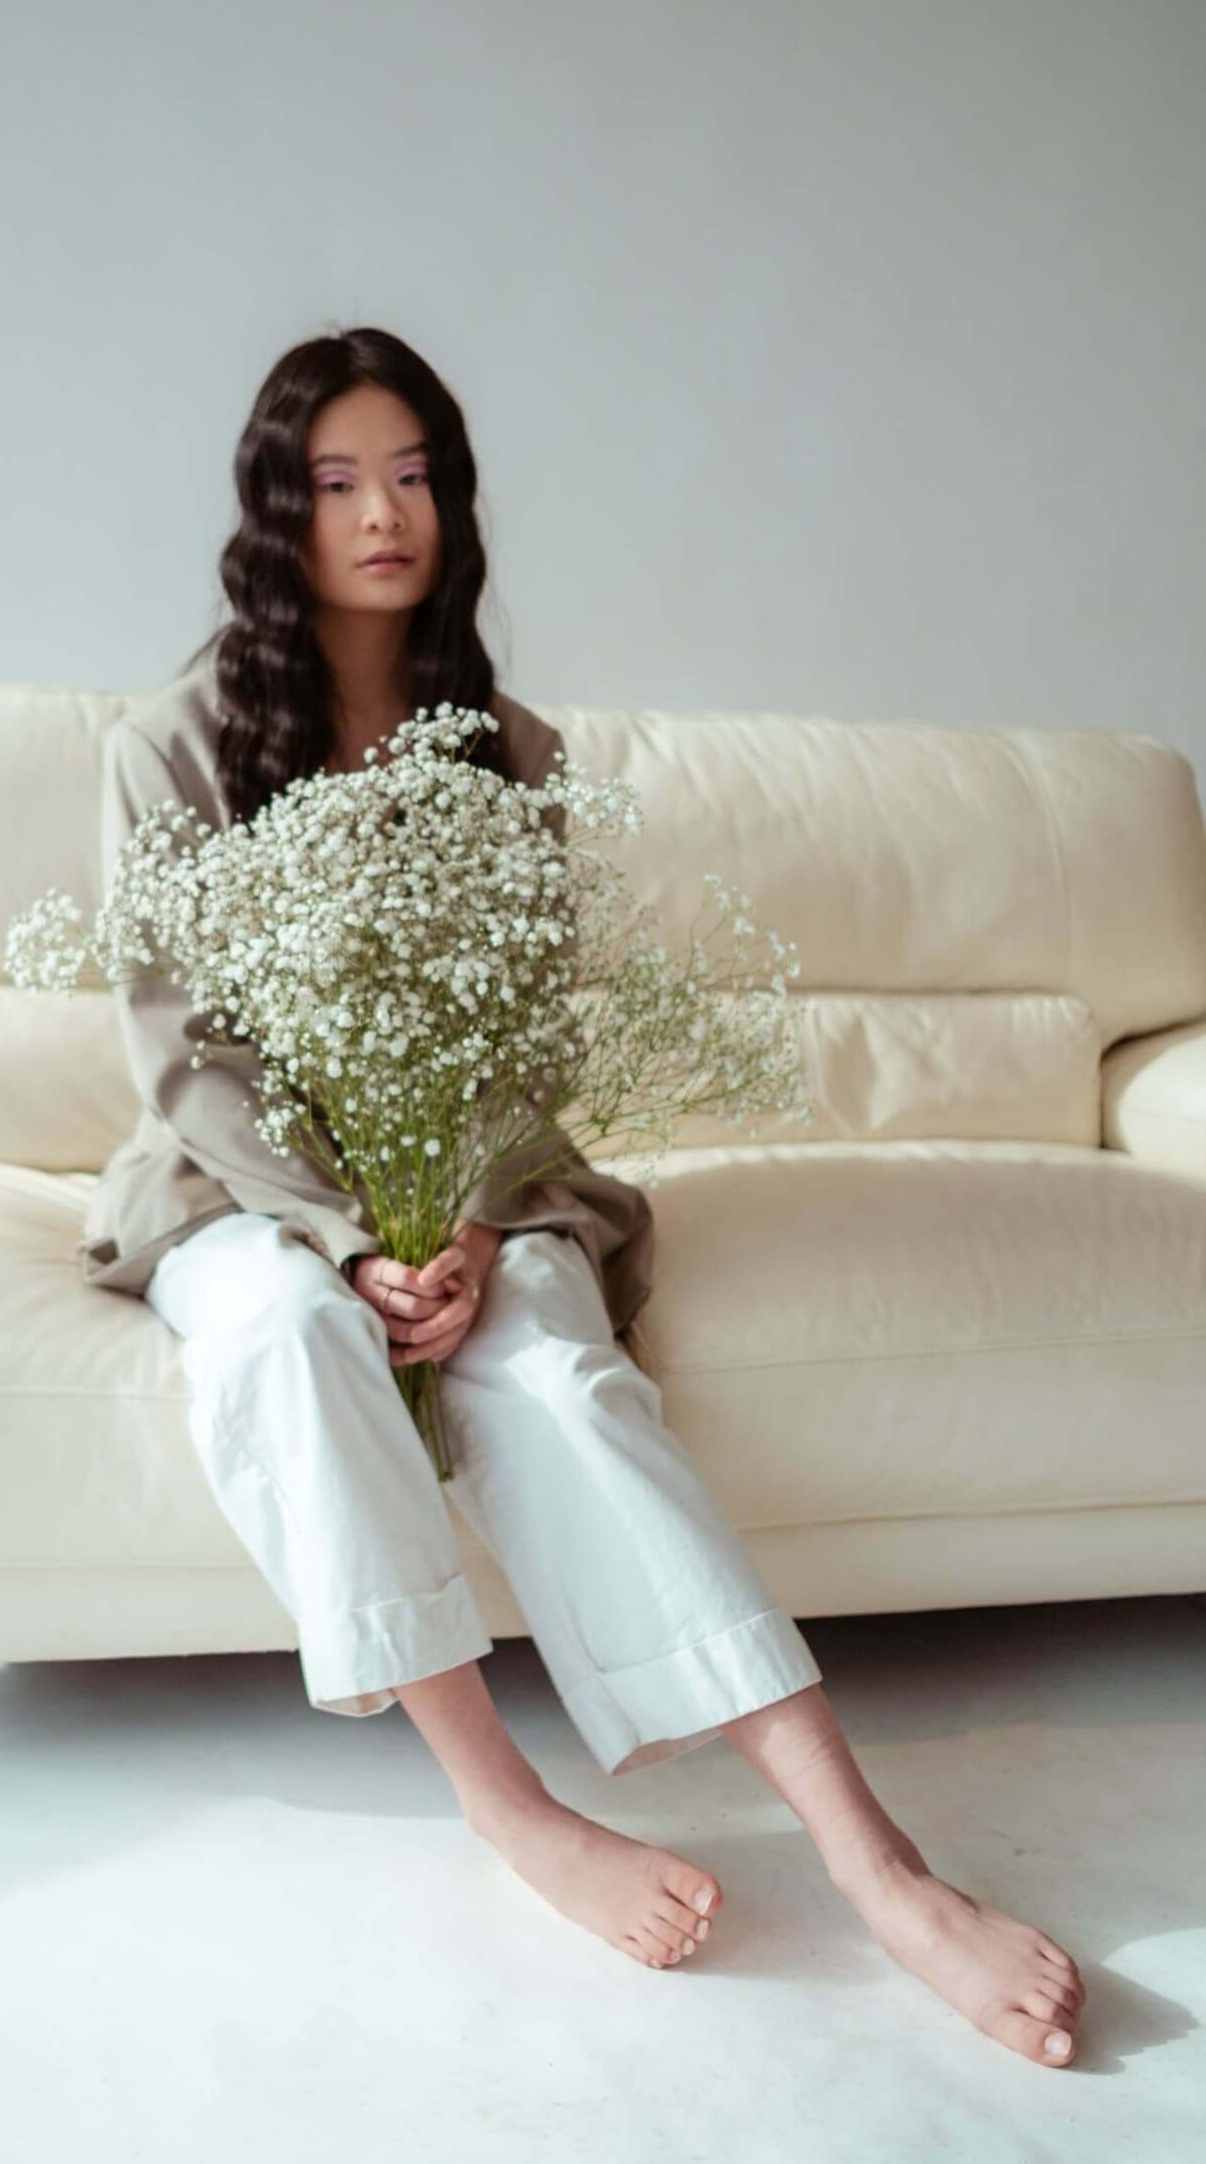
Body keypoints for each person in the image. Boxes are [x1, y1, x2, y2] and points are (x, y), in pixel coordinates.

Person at [82, 323, 1085, 2070]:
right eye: (337, 481)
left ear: (455, 506)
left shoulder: (512, 755)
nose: (382, 513)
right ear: (277, 512)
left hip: (485, 1196)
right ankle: (511, 1810)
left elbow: (528, 1054)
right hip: (246, 1196)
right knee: (293, 1336)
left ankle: (877, 1859)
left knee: (553, 1377)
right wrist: (345, 1235)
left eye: (414, 475)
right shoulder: (167, 750)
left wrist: (464, 1220)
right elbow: (183, 1057)